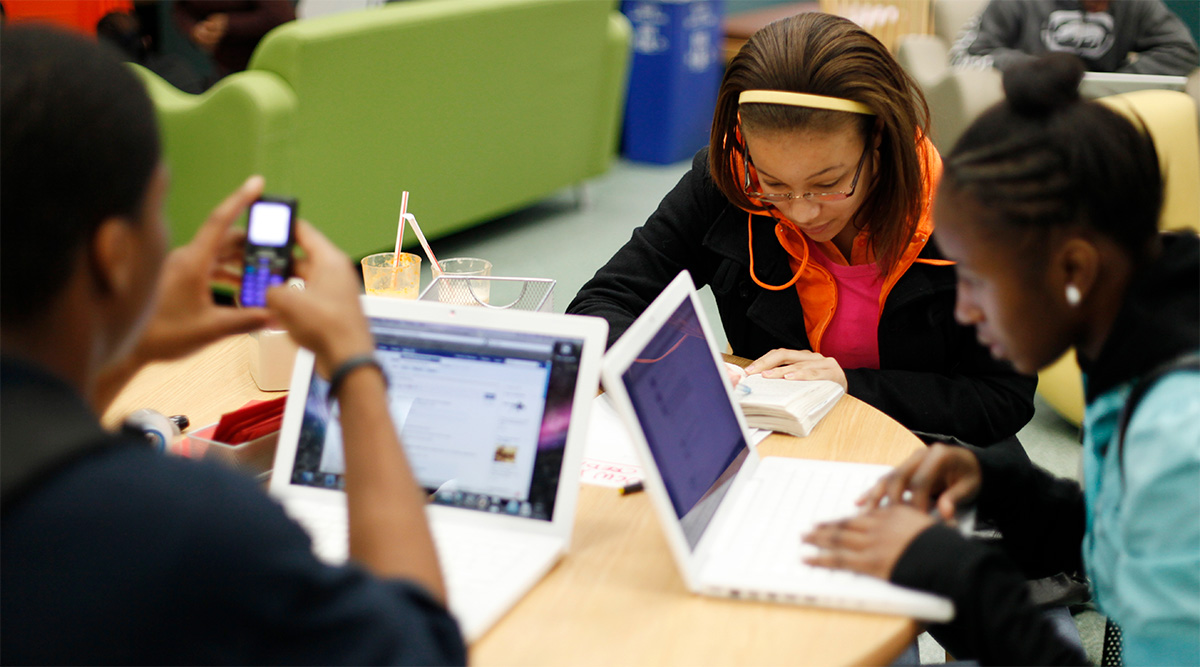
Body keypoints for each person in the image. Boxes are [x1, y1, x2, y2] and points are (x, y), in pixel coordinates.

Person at [0, 26, 465, 664]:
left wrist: (127, 349)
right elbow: (420, 649)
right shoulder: (183, 525)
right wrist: (355, 366)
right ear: (113, 255)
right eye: (159, 210)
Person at [803, 53, 1199, 665]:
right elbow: (1129, 531)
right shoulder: (1140, 341)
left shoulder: (1180, 440)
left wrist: (956, 576)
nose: (964, 311)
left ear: (1073, 269)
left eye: (979, 281)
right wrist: (1005, 487)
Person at [567, 12, 1036, 447]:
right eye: (775, 184)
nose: (802, 212)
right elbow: (599, 307)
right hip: (782, 448)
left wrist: (849, 386)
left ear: (879, 141)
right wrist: (678, 367)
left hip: (930, 453)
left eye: (828, 184)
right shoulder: (729, 184)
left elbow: (1000, 398)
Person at [949, 0, 1199, 75]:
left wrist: (1121, 80)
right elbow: (964, 56)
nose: (1103, 7)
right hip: (1030, 101)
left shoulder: (1136, 4)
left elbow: (1183, 50)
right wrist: (1035, 71)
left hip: (1104, 107)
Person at [173, 0, 295, 79]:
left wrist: (228, 24)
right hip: (226, 66)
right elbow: (181, 8)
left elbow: (282, 17)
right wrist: (194, 29)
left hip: (270, 66)